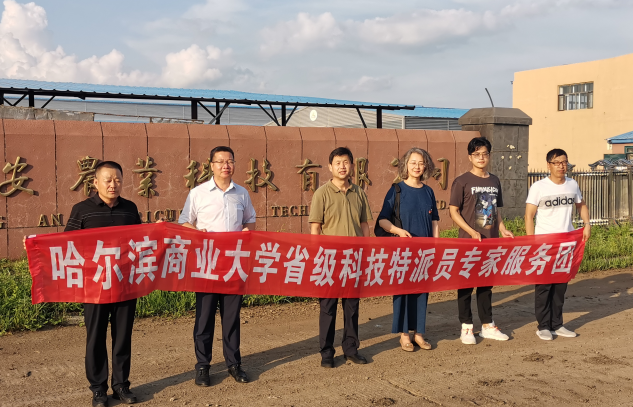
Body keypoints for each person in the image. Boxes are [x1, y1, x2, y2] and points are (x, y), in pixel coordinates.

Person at [64, 161, 142, 407]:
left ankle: (121, 386)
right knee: (95, 337)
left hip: (124, 285)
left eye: (117, 179)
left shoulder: (130, 209)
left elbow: (141, 241)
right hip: (94, 287)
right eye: (107, 180)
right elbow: (66, 244)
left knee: (123, 337)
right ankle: (98, 390)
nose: (113, 184)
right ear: (95, 182)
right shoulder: (82, 210)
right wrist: (35, 245)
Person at [178, 146, 256, 386]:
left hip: (233, 266)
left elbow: (250, 221)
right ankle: (203, 366)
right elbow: (184, 222)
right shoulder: (198, 193)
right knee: (204, 318)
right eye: (220, 161)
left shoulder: (241, 193)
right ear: (211, 165)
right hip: (207, 265)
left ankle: (234, 364)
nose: (225, 165)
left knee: (231, 318)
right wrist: (197, 232)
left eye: (229, 161)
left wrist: (246, 232)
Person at [308, 146, 372, 368]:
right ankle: (326, 352)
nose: (342, 167)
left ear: (352, 166)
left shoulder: (359, 192)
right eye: (338, 163)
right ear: (330, 167)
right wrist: (317, 257)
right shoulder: (321, 193)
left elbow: (364, 225)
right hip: (329, 260)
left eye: (346, 162)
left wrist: (366, 252)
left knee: (352, 307)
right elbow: (315, 228)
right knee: (328, 308)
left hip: (354, 259)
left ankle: (351, 349)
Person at [449, 137, 514, 345]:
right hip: (468, 243)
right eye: (476, 154)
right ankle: (466, 327)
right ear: (470, 157)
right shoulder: (462, 181)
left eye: (484, 154)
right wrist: (470, 231)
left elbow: (495, 210)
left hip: (490, 242)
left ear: (489, 156)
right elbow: (453, 211)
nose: (481, 158)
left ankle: (487, 325)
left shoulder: (494, 181)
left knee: (486, 285)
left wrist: (502, 229)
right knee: (465, 285)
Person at [525, 148, 591, 341]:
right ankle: (543, 326)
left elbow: (581, 205)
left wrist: (587, 224)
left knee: (561, 286)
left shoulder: (572, 184)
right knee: (544, 286)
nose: (561, 166)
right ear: (549, 165)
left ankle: (557, 324)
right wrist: (531, 242)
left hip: (566, 243)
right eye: (557, 163)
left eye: (564, 162)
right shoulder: (539, 187)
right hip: (544, 244)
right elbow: (529, 216)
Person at [378, 147, 439, 352]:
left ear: (426, 166)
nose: (417, 166)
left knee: (422, 292)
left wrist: (436, 247)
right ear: (405, 165)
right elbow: (382, 220)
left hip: (424, 252)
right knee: (403, 292)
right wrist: (398, 231)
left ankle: (419, 333)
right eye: (413, 162)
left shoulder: (428, 191)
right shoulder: (397, 190)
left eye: (421, 163)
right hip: (402, 252)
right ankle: (404, 335)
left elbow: (435, 221)